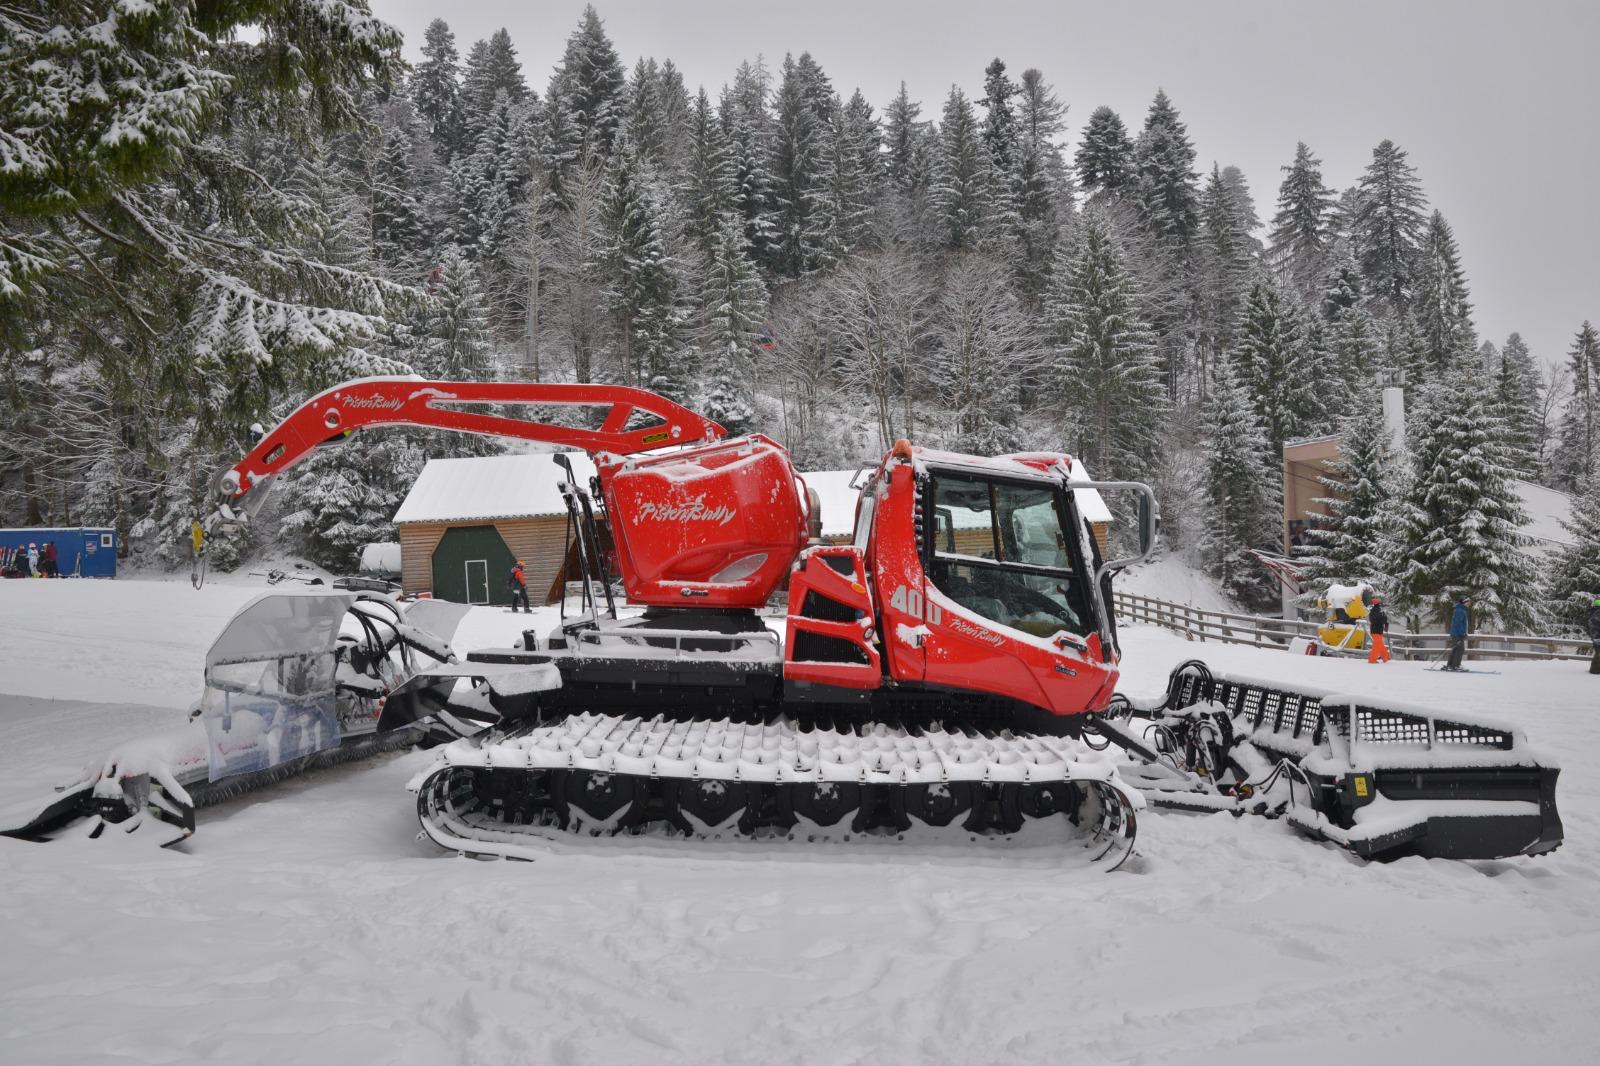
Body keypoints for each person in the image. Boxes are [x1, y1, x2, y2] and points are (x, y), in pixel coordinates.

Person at [1444, 595, 1471, 671]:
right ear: (1464, 602)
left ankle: (1450, 665)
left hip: (1456, 633)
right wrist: (1462, 634)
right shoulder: (1460, 611)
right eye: (1468, 602)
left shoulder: (1460, 610)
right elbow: (1458, 624)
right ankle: (1456, 666)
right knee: (1460, 649)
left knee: (1456, 649)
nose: (1469, 604)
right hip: (1458, 634)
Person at [1367, 596, 1392, 663]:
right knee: (1377, 646)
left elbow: (1380, 620)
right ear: (1379, 605)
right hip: (1377, 631)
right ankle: (1372, 659)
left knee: (1380, 645)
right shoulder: (1379, 612)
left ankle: (1386, 657)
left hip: (1375, 630)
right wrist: (1385, 621)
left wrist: (1384, 621)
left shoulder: (1374, 612)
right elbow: (1383, 620)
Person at [1588, 596, 1600, 676]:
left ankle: (1595, 670)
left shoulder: (1593, 612)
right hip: (1597, 637)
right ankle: (1595, 670)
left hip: (1596, 636)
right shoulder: (1597, 613)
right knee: (1598, 654)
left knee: (1598, 652)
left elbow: (1591, 626)